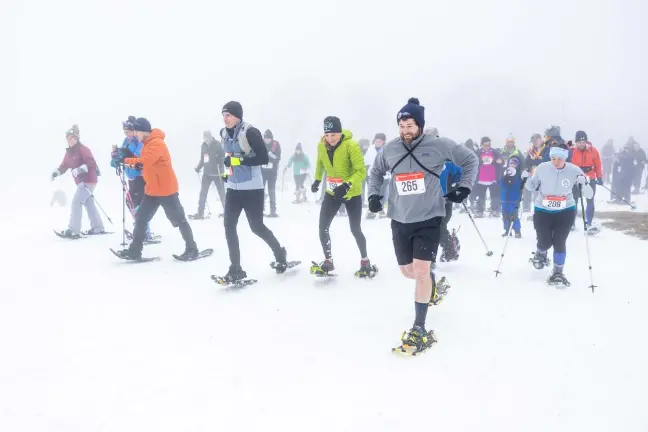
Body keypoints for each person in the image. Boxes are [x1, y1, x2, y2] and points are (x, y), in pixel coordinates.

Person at [367, 97, 478, 354]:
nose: (405, 131)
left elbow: (470, 160)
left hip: (429, 217)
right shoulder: (391, 149)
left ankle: (419, 326)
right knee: (409, 272)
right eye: (401, 126)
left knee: (420, 270)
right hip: (400, 218)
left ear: (420, 125)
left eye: (410, 126)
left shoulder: (438, 145)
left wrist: (465, 188)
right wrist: (374, 195)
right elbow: (375, 172)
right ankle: (432, 286)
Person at [220, 101, 289, 280]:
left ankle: (280, 254)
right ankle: (235, 268)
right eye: (224, 115)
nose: (225, 119)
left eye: (229, 115)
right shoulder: (224, 134)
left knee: (256, 227)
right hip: (233, 189)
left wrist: (238, 161)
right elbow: (228, 158)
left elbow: (263, 158)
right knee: (228, 226)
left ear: (238, 116)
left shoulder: (250, 132)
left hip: (252, 189)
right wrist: (226, 173)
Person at [112, 118, 199, 260]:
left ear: (143, 131)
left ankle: (192, 249)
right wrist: (124, 154)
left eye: (136, 131)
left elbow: (144, 161)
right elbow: (141, 161)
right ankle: (135, 250)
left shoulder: (156, 143)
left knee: (179, 220)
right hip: (152, 190)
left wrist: (124, 160)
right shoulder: (146, 143)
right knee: (141, 218)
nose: (135, 134)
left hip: (166, 190)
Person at [310, 116, 373, 277]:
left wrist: (347, 185)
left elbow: (361, 171)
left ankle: (365, 261)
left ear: (340, 132)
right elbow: (320, 163)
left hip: (351, 193)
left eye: (334, 135)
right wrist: (317, 180)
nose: (330, 139)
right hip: (332, 193)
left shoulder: (351, 145)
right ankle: (328, 261)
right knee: (322, 227)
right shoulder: (321, 145)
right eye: (327, 135)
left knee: (355, 229)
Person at [523, 142, 593, 286]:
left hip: (565, 210)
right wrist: (526, 178)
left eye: (560, 158)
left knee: (559, 242)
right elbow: (531, 187)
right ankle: (541, 252)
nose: (556, 161)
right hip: (542, 209)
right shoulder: (542, 168)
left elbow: (589, 194)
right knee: (544, 241)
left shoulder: (574, 170)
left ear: (565, 158)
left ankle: (558, 272)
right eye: (553, 158)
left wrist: (584, 182)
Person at [51, 124, 105, 237]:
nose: (69, 140)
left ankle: (74, 229)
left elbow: (91, 163)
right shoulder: (69, 153)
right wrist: (57, 172)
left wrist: (80, 169)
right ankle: (98, 227)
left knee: (76, 203)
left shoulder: (83, 149)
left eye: (71, 137)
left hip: (89, 180)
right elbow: (64, 166)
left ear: (77, 138)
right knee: (88, 203)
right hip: (81, 182)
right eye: (68, 138)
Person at [111, 116, 156, 240]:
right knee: (131, 202)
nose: (127, 134)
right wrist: (116, 156)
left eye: (129, 132)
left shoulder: (139, 141)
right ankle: (141, 228)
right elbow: (122, 153)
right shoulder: (127, 140)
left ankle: (143, 231)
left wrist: (125, 153)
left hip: (140, 177)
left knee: (137, 204)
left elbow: (137, 156)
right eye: (125, 132)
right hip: (131, 177)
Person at [570, 131, 603, 232]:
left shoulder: (593, 151)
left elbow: (598, 164)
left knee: (590, 200)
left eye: (583, 142)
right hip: (575, 179)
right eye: (579, 142)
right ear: (576, 142)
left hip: (590, 178)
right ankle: (571, 223)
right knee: (573, 201)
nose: (581, 144)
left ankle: (589, 223)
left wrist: (599, 177)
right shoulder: (571, 151)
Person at [192, 130, 226, 219]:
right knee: (203, 192)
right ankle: (200, 212)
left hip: (217, 173)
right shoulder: (203, 146)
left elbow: (223, 156)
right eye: (204, 138)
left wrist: (219, 158)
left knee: (221, 193)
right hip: (207, 173)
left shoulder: (217, 144)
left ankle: (227, 212)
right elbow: (203, 159)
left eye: (207, 138)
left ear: (211, 137)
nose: (206, 140)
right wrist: (198, 168)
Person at [473, 136, 504, 217]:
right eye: (486, 145)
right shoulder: (478, 152)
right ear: (482, 145)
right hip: (481, 179)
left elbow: (501, 160)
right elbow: (473, 161)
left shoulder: (495, 152)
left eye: (489, 145)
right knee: (481, 196)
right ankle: (480, 211)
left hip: (493, 178)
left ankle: (495, 210)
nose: (487, 147)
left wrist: (500, 161)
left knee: (494, 196)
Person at [523, 133, 549, 214]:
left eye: (536, 140)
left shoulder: (547, 149)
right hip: (534, 175)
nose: (534, 143)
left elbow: (545, 161)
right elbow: (527, 162)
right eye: (533, 141)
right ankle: (536, 213)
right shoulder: (531, 150)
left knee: (544, 196)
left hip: (545, 176)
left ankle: (544, 212)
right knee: (536, 196)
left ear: (541, 140)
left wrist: (534, 161)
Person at [365, 133, 389, 219]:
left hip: (385, 176)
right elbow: (366, 162)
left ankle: (381, 210)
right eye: (376, 141)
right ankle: (371, 210)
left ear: (383, 142)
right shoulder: (370, 150)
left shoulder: (387, 150)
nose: (378, 143)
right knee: (372, 192)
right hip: (372, 175)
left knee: (382, 193)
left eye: (380, 141)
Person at [500, 155, 524, 238]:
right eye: (511, 164)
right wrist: (505, 177)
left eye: (514, 164)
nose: (512, 165)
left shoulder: (519, 175)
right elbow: (501, 184)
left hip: (514, 199)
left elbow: (519, 186)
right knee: (505, 215)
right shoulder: (505, 172)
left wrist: (514, 179)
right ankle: (507, 230)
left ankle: (517, 231)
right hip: (504, 198)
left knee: (513, 215)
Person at [261, 129, 281, 217]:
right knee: (260, 190)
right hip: (262, 171)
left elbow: (278, 158)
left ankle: (273, 210)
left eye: (268, 138)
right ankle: (260, 209)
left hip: (272, 172)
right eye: (265, 138)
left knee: (271, 191)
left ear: (271, 138)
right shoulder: (260, 144)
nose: (267, 140)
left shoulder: (276, 145)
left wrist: (271, 157)